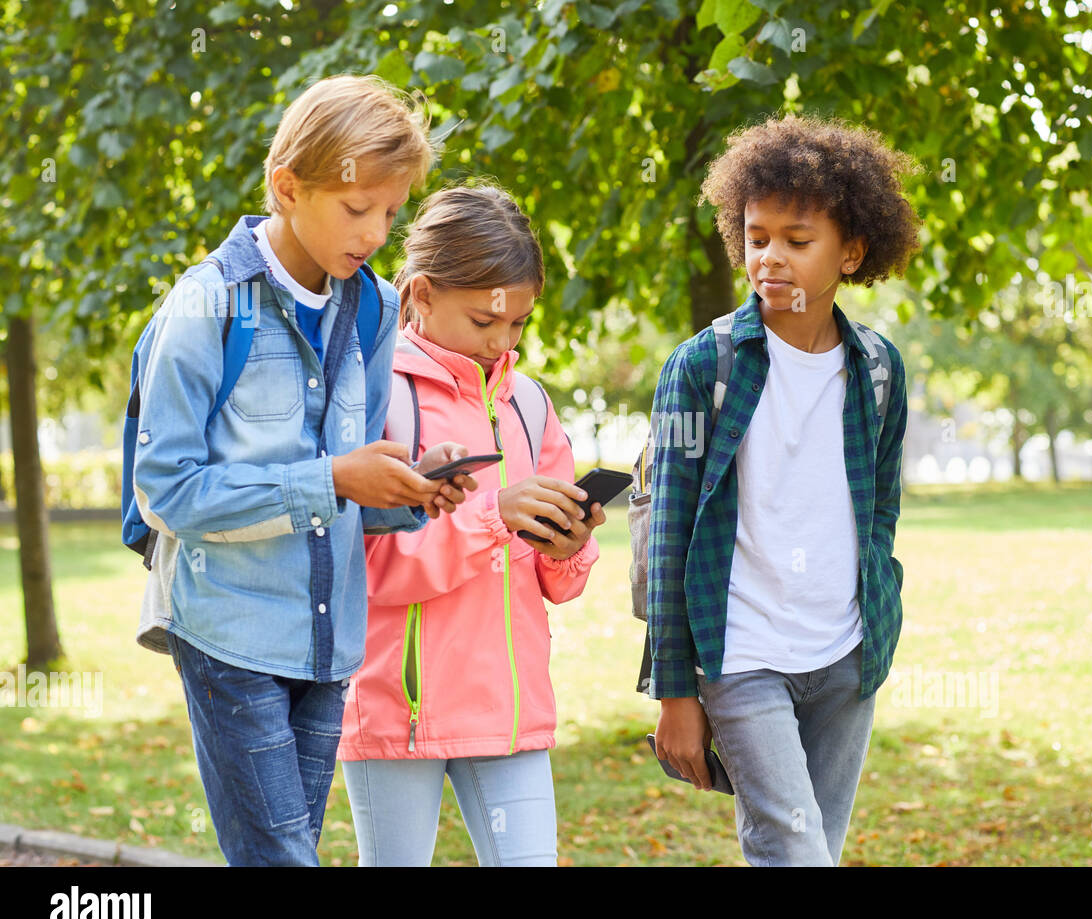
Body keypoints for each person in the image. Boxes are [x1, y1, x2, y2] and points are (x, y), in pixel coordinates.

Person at [133, 74, 473, 866]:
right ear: (288, 188)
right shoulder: (206, 306)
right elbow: (167, 493)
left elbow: (359, 484)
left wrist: (414, 488)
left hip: (328, 641)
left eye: (392, 211)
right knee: (284, 855)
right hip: (228, 627)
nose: (379, 232)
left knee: (284, 851)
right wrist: (334, 479)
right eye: (360, 210)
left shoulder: (377, 309)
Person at [646, 114, 922, 866]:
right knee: (794, 851)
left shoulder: (878, 370)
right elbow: (670, 534)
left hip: (845, 656)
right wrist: (676, 691)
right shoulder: (702, 368)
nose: (770, 257)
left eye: (797, 241)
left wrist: (878, 613)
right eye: (757, 236)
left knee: (814, 851)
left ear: (851, 251)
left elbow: (882, 513)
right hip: (743, 654)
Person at [338, 183, 603, 867]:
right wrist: (494, 516)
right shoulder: (374, 393)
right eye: (485, 321)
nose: (501, 342)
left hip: (509, 715)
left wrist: (567, 544)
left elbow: (559, 585)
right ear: (421, 295)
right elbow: (370, 570)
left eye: (517, 323)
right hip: (401, 709)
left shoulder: (531, 406)